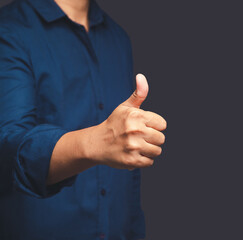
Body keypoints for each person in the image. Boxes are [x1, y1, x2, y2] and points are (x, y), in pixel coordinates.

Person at [0, 0, 167, 239]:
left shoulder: (118, 38)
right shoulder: (9, 29)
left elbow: (129, 175)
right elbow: (7, 147)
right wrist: (95, 142)